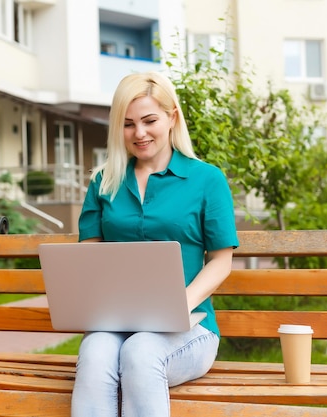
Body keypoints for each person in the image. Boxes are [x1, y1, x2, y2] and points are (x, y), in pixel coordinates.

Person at [71, 71, 239, 417]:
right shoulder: (104, 182)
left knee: (141, 352)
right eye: (128, 124)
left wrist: (179, 305)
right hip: (116, 324)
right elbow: (89, 258)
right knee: (95, 352)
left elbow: (221, 260)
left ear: (172, 117)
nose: (140, 133)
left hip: (190, 329)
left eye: (150, 120)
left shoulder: (207, 179)